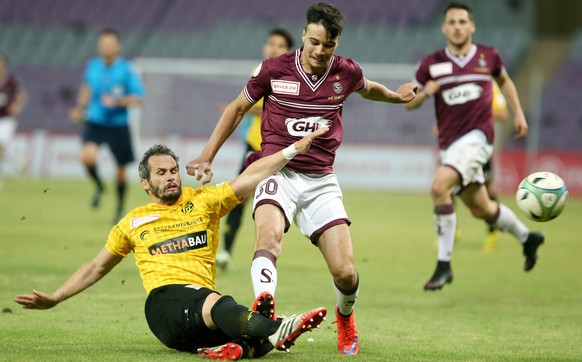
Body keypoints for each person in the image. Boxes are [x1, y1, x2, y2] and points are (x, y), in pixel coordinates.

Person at [186, 2, 417, 355]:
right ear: (304, 35)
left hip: (321, 180)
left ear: (337, 43)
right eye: (314, 42)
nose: (320, 51)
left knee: (345, 273)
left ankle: (345, 316)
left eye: (329, 45)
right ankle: (265, 305)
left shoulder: (346, 73)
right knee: (268, 235)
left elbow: (369, 88)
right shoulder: (273, 70)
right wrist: (207, 155)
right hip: (276, 169)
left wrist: (398, 98)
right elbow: (236, 109)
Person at [15, 129, 328, 361]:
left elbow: (252, 175)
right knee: (240, 314)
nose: (170, 178)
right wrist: (57, 296)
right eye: (161, 173)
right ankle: (277, 328)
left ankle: (241, 345)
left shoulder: (203, 201)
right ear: (146, 183)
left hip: (200, 321)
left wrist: (293, 150)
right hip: (165, 307)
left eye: (174, 171)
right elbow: (96, 267)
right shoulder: (133, 221)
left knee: (245, 327)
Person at [404, 2, 544, 291]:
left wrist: (518, 113)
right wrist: (425, 93)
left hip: (479, 139)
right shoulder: (431, 63)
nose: (457, 26)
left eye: (462, 22)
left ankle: (443, 266)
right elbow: (410, 104)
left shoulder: (488, 56)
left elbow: (505, 83)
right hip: (450, 146)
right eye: (452, 22)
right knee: (482, 209)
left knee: (438, 187)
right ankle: (527, 238)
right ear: (444, 28)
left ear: (472, 26)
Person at [217, 28, 295, 272]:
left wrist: (237, 107)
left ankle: (271, 251)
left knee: (284, 202)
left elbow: (264, 106)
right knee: (238, 196)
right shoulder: (259, 70)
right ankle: (226, 251)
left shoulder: (292, 76)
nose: (273, 48)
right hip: (255, 145)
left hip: (282, 150)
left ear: (289, 51)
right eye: (270, 43)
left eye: (279, 45)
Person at [69, 28, 145, 224]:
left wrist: (117, 102)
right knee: (87, 157)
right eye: (103, 44)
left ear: (118, 46)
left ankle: (119, 206)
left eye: (110, 44)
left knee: (120, 171)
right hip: (96, 122)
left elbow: (139, 99)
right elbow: (87, 88)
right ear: (98, 46)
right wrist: (79, 107)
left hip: (118, 125)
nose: (106, 47)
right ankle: (100, 187)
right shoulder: (92, 66)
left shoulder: (126, 69)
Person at [0, 54, 28, 185]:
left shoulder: (11, 80)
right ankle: (17, 160)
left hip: (6, 119)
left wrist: (17, 106)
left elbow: (22, 94)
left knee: (0, 147)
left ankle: (17, 160)